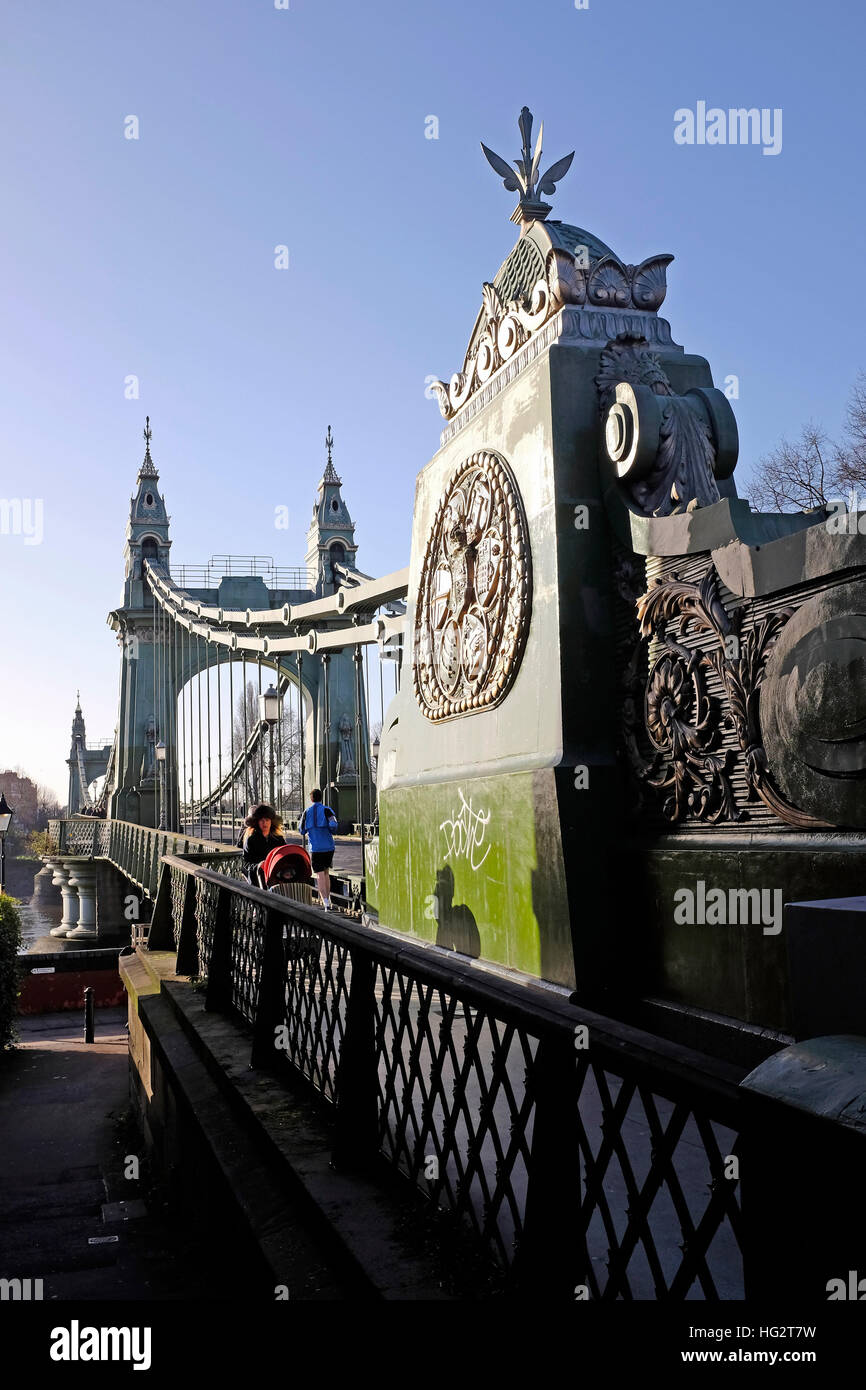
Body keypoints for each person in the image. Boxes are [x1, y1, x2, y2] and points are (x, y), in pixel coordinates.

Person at [299, 788, 338, 910]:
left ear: (311, 799)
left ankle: (325, 902)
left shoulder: (306, 812)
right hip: (328, 847)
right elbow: (333, 824)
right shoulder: (327, 810)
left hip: (315, 848)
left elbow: (301, 830)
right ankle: (329, 898)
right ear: (321, 798)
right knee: (326, 873)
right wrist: (329, 830)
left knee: (319, 875)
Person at [240, 803, 285, 884]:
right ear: (257, 822)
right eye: (262, 820)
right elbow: (245, 863)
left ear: (271, 822)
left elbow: (285, 858)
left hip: (275, 880)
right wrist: (258, 866)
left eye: (267, 820)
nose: (265, 823)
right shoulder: (251, 840)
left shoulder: (279, 840)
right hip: (257, 880)